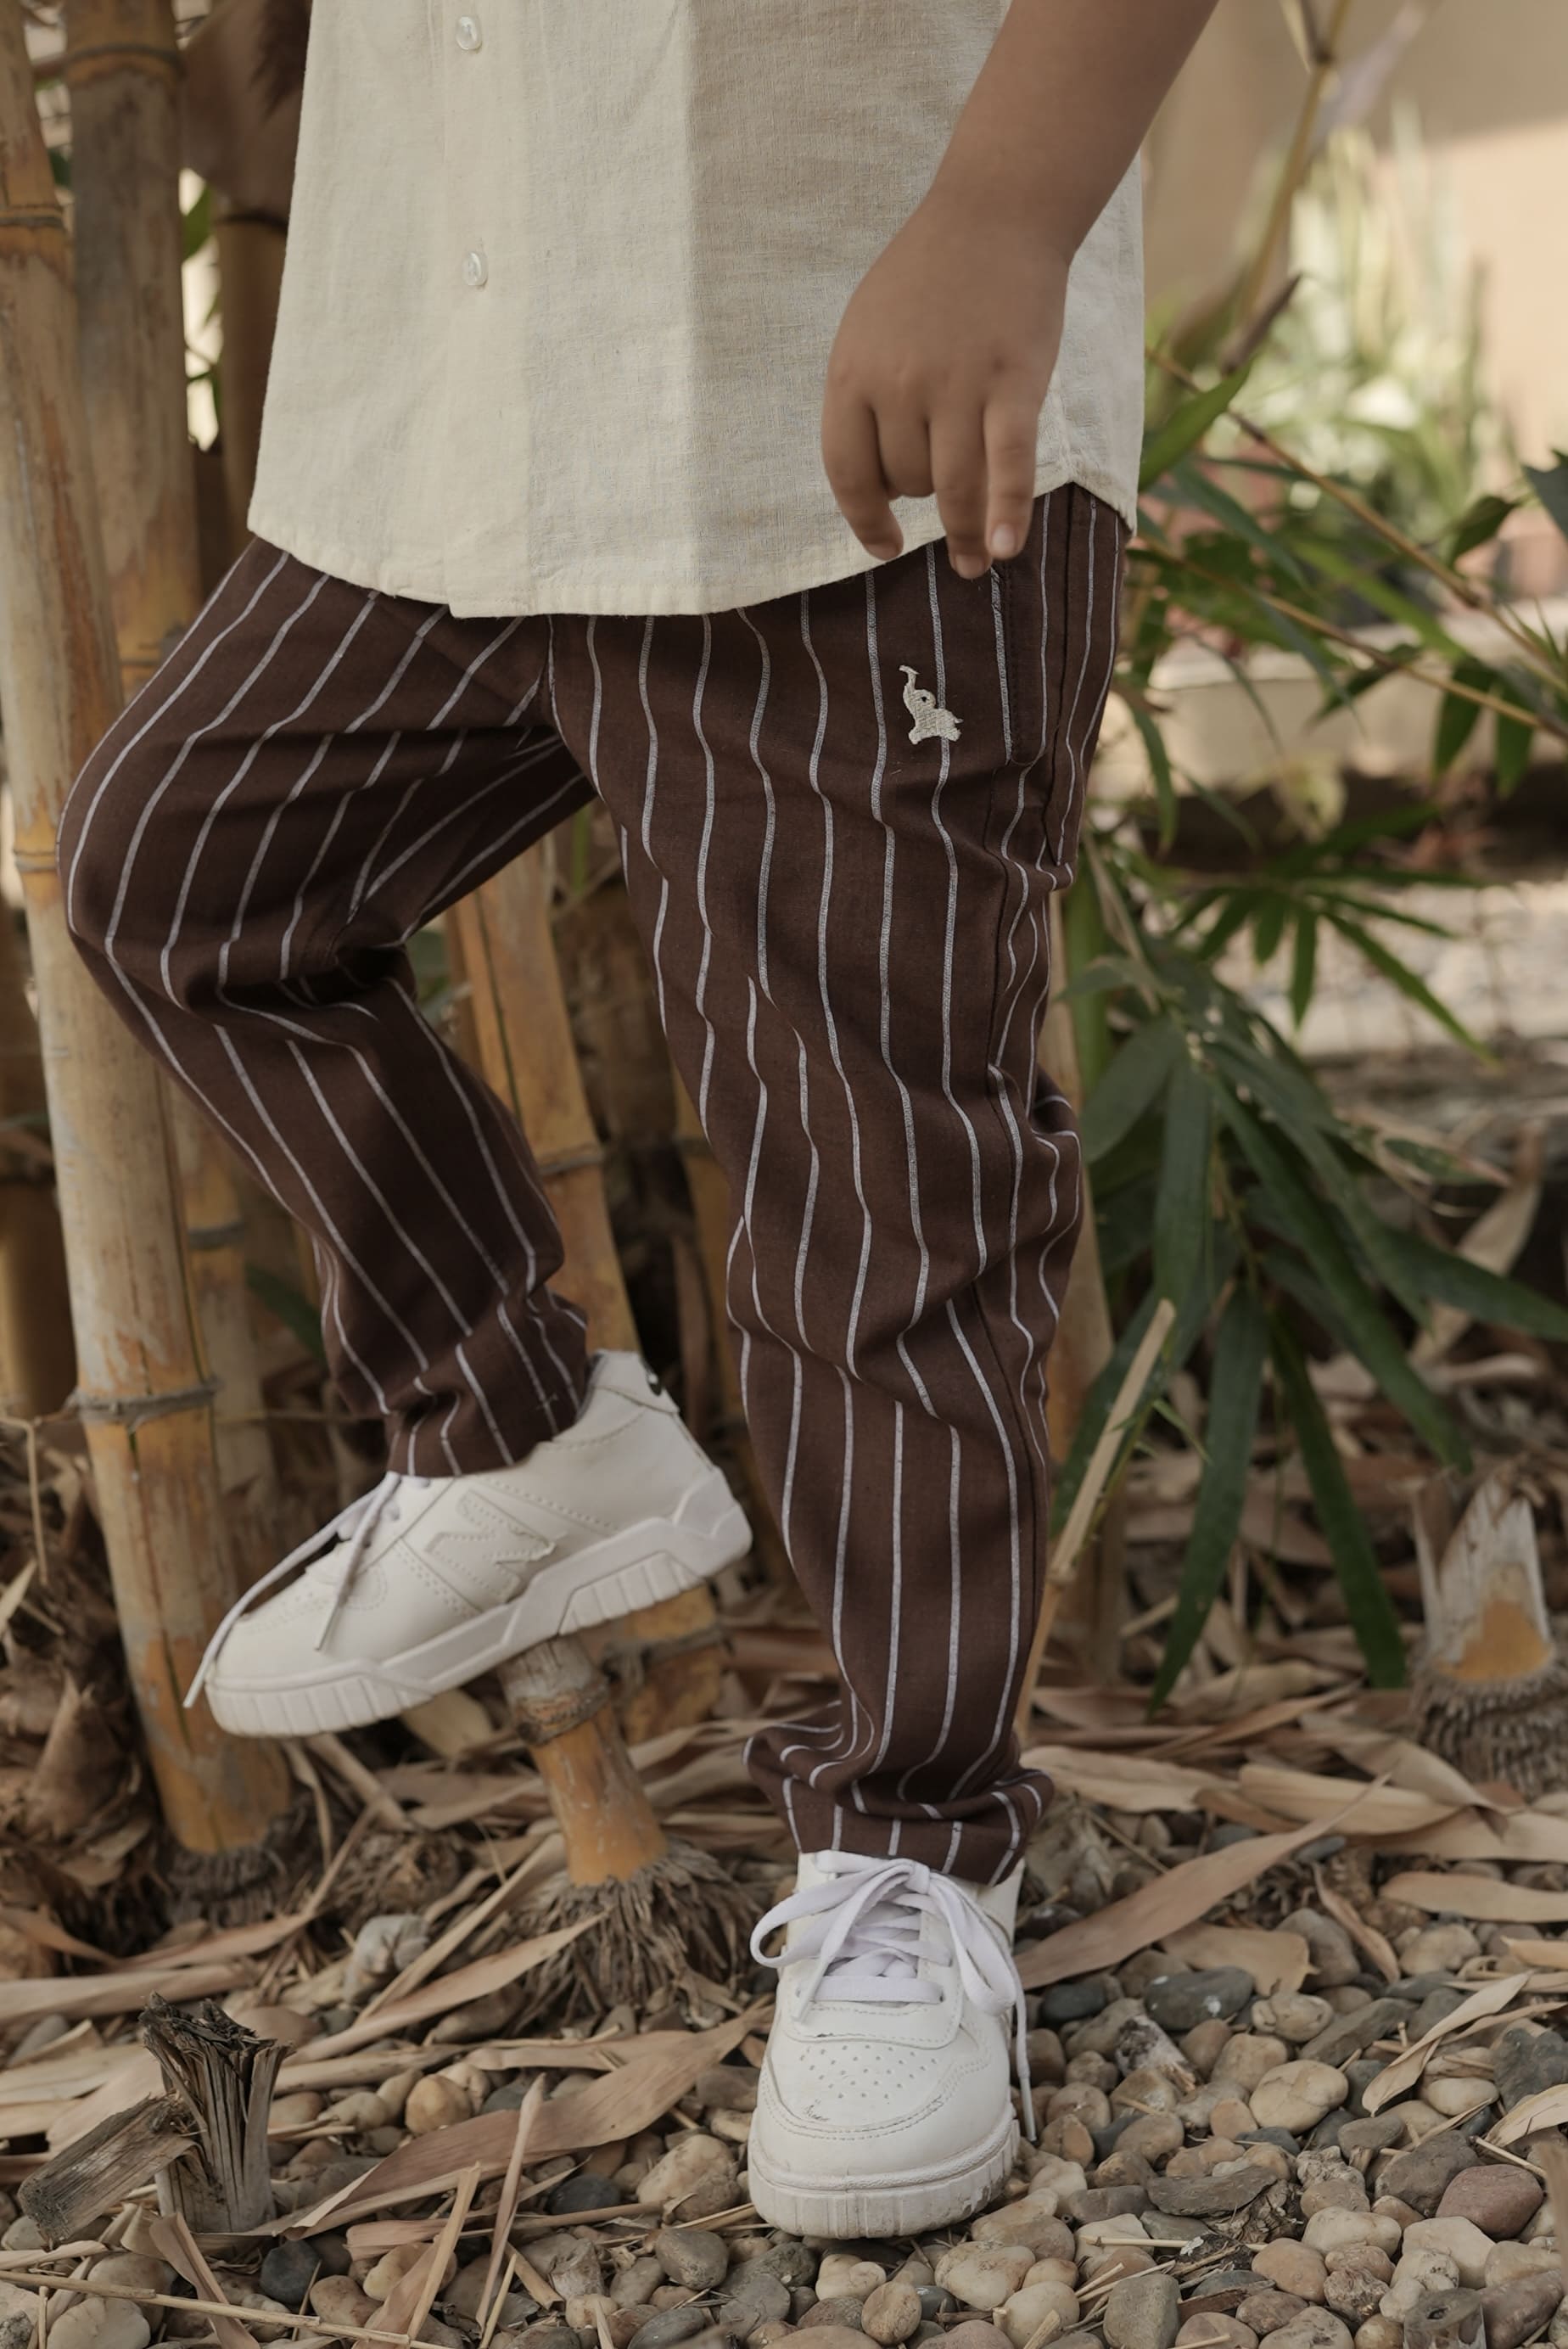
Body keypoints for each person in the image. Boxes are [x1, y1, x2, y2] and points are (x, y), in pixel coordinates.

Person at [63, 0, 1218, 2235]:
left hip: (833, 367)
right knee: (183, 883)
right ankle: (510, 1419)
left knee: (872, 1180)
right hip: (440, 406)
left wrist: (1008, 211)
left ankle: (912, 1853)